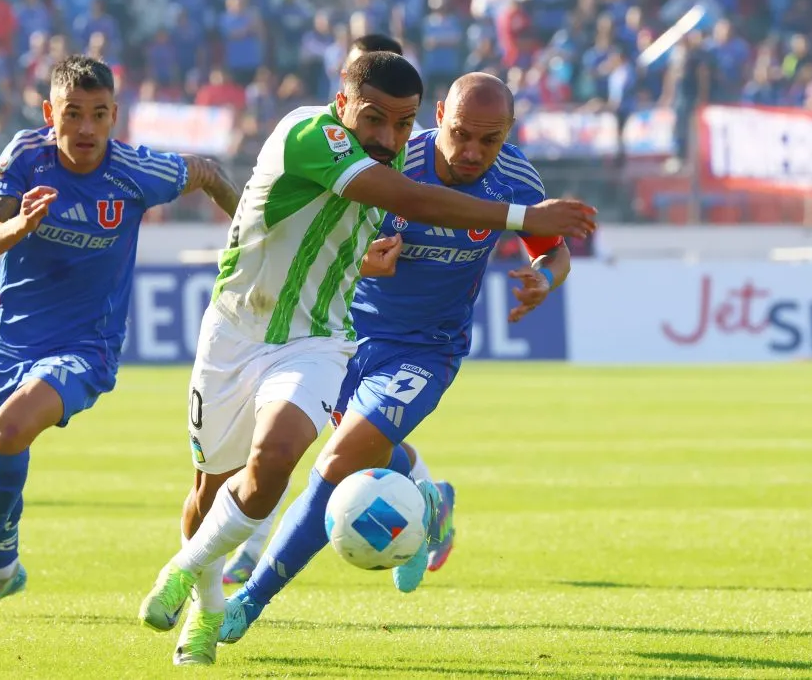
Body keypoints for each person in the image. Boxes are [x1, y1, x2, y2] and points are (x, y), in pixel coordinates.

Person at [137, 52, 595, 666]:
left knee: (334, 457)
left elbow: (550, 249)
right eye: (460, 133)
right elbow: (381, 209)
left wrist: (546, 276)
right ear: (440, 116)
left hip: (422, 349)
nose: (472, 151)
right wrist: (369, 259)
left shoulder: (514, 177)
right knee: (247, 476)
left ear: (508, 136)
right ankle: (426, 495)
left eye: (491, 139)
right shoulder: (390, 155)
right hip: (350, 328)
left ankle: (247, 601)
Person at [0, 55, 239, 618]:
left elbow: (203, 171)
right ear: (49, 113)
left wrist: (257, 235)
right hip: (10, 342)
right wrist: (19, 226)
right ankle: (6, 562)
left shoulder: (135, 171)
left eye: (98, 115)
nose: (85, 128)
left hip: (85, 348)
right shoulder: (26, 156)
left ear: (114, 117)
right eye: (73, 114)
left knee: (8, 432)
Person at [221, 33, 426, 586]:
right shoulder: (318, 137)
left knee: (315, 437)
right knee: (333, 431)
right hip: (300, 316)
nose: (384, 133)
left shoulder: (403, 149)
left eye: (398, 120)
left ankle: (421, 502)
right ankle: (426, 495)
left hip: (338, 326)